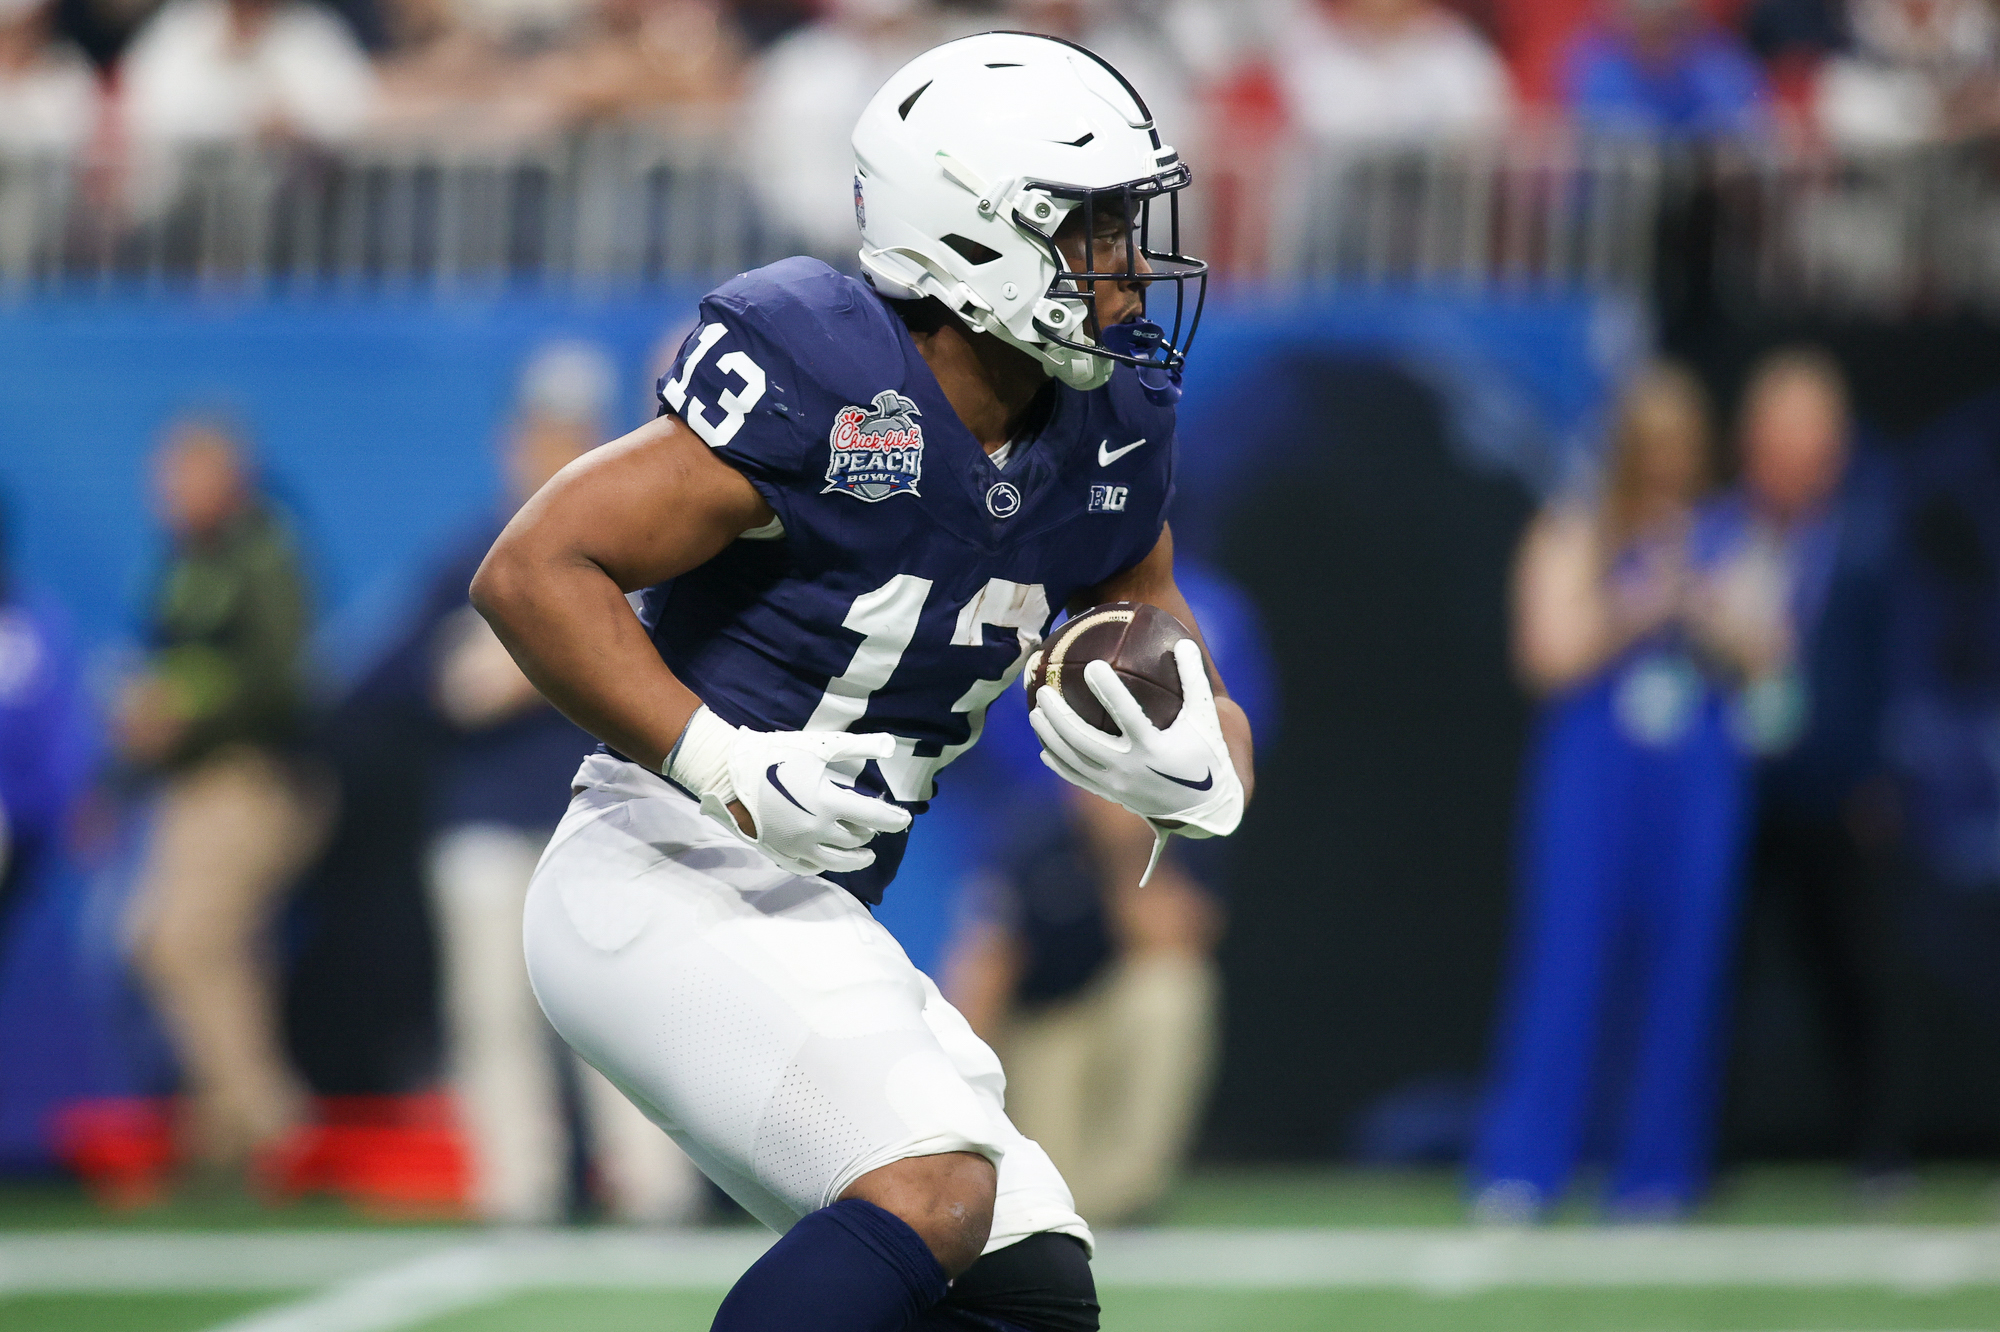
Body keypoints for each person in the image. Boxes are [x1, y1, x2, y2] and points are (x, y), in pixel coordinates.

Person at [471, 30, 1251, 1331]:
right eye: (1094, 226)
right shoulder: (827, 371)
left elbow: (1160, 636)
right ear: (977, 232)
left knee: (1028, 1284)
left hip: (812, 915)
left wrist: (1195, 755)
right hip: (658, 874)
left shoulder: (1109, 426)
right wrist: (717, 757)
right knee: (938, 1190)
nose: (1128, 266)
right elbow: (533, 566)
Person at [369, 342, 705, 1224]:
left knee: (620, 1015)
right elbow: (400, 684)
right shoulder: (474, 555)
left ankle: (652, 1190)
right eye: (540, 432)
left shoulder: (637, 547)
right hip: (486, 818)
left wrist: (543, 657)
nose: (550, 450)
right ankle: (517, 1191)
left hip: (602, 816)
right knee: (491, 1012)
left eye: (571, 433)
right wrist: (480, 672)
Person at [1471, 363, 1781, 1223]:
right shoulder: (1575, 530)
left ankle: (1656, 1170)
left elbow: (1770, 658)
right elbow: (1546, 656)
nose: (1667, 464)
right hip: (1593, 779)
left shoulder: (1730, 534)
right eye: (1652, 446)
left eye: (1681, 446)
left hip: (1694, 785)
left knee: (1685, 970)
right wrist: (1636, 607)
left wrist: (1708, 609)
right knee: (1566, 961)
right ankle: (1526, 1165)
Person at [943, 560, 1274, 1228]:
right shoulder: (1035, 830)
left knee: (1171, 992)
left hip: (1116, 1015)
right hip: (1046, 1032)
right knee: (1052, 1189)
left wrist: (1123, 855)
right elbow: (983, 971)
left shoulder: (1174, 824)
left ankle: (1130, 1194)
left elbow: (1176, 935)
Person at [119, 415, 329, 1181]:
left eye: (185, 474)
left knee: (185, 938)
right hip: (194, 784)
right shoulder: (185, 559)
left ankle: (271, 1121)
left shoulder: (262, 550)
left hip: (252, 775)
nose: (169, 492)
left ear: (227, 476)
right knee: (181, 944)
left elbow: (281, 677)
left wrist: (186, 708)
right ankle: (231, 1126)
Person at [1731, 349, 1909, 1186]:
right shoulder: (1720, 533)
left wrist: (1878, 775)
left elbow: (1890, 665)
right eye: (1780, 434)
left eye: (1812, 436)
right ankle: (1697, 1153)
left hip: (1834, 786)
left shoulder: (1867, 534)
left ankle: (1873, 1154)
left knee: (1852, 979)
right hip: (1734, 788)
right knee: (1716, 979)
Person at [1274, 0, 1513, 144]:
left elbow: (1487, 133)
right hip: (1334, 214)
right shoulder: (1309, 41)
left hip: (1430, 214)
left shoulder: (1460, 53)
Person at [1562, 0, 1773, 139]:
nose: (1661, 41)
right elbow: (1593, 134)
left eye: (1670, 29)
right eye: (1651, 29)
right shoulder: (1601, 73)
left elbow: (1748, 124)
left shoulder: (1718, 68)